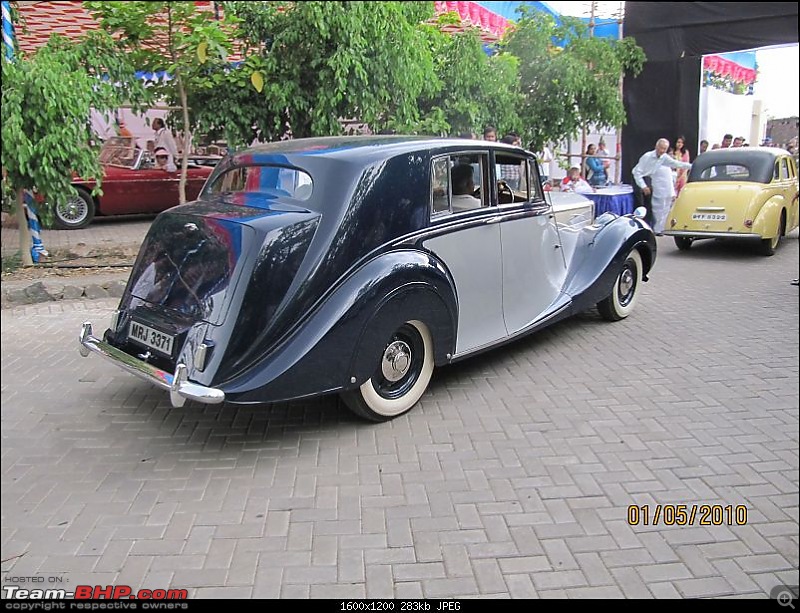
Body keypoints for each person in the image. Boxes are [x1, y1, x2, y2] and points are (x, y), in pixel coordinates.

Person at [632, 138, 692, 235]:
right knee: (642, 205)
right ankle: (641, 229)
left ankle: (655, 229)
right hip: (639, 179)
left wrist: (692, 166)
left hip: (649, 178)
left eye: (664, 149)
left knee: (654, 206)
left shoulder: (664, 157)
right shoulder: (647, 156)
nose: (662, 151)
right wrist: (643, 186)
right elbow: (636, 173)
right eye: (661, 148)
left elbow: (676, 163)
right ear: (656, 146)